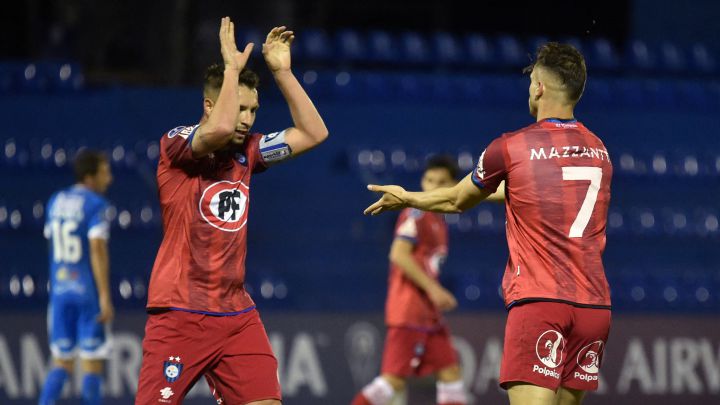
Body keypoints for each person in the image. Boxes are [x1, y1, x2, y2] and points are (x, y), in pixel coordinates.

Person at [364, 42, 612, 405]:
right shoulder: (599, 151)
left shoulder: (512, 146)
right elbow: (529, 192)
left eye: (531, 83)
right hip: (594, 308)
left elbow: (457, 199)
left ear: (539, 87)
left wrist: (409, 197)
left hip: (540, 302)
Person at [134, 17, 328, 405]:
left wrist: (284, 73)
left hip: (236, 314)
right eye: (240, 109)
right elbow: (218, 130)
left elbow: (314, 133)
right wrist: (232, 69)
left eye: (254, 110)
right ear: (210, 104)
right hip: (179, 312)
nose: (247, 120)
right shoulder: (175, 144)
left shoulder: (249, 151)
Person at [352, 156, 468, 405]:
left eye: (441, 182)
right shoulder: (416, 213)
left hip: (429, 316)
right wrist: (434, 289)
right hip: (409, 312)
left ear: (454, 186)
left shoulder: (439, 218)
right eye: (428, 180)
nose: (432, 187)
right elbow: (398, 254)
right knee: (392, 382)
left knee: (451, 374)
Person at [39, 149, 114, 405]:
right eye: (105, 172)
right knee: (91, 365)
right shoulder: (96, 205)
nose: (110, 179)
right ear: (90, 177)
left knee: (61, 363)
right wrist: (104, 297)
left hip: (60, 291)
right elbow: (97, 248)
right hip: (87, 294)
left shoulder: (55, 201)